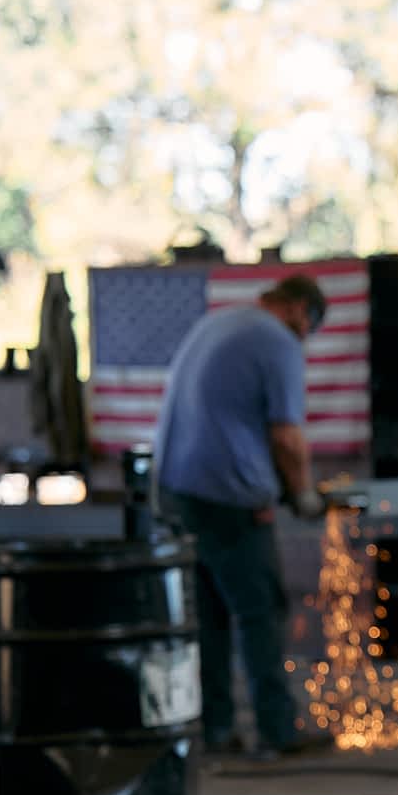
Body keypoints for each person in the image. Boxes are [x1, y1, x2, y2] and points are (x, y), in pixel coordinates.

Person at [154, 273, 330, 758]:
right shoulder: (278, 341)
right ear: (298, 309)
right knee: (261, 610)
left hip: (175, 492)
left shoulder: (221, 323)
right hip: (227, 494)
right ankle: (278, 731)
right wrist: (305, 495)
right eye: (307, 329)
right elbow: (287, 439)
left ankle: (214, 731)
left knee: (209, 616)